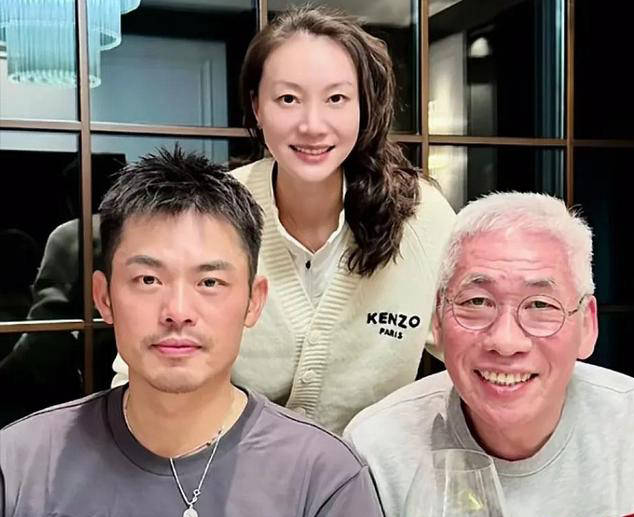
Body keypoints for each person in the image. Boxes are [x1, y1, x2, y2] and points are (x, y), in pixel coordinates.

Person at [112, 5, 456, 434]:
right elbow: (141, 372)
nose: (312, 125)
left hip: (373, 470)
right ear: (257, 106)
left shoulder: (421, 217)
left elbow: (474, 348)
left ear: (363, 107)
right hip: (226, 466)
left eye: (336, 99)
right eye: (288, 99)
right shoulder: (215, 211)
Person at [0, 148, 384, 517]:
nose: (178, 312)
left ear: (253, 301)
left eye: (209, 282)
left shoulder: (322, 478)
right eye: (148, 279)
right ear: (104, 298)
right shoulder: (21, 464)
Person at [344, 192, 634, 517]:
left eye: (540, 305)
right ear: (438, 318)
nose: (505, 341)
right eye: (477, 302)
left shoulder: (632, 428)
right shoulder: (378, 450)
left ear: (587, 325)